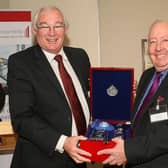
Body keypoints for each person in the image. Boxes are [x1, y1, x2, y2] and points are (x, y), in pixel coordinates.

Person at [7, 6, 92, 168]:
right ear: (34, 30)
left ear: (65, 29)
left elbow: (87, 98)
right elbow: (22, 118)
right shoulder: (21, 62)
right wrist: (63, 142)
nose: (52, 32)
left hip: (79, 159)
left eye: (58, 25)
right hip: (40, 161)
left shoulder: (80, 57)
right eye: (45, 26)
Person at [97, 20, 168, 168]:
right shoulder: (147, 76)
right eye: (152, 42)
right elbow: (141, 119)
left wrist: (127, 151)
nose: (158, 48)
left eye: (165, 40)